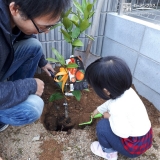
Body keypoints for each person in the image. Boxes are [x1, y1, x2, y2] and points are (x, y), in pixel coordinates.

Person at [0, 0, 70, 132]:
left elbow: (26, 37)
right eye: (43, 27)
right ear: (15, 9)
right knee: (33, 107)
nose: (46, 32)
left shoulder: (10, 15)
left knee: (34, 46)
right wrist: (28, 86)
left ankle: (12, 97)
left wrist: (42, 62)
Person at [85, 56, 152, 160]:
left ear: (106, 91)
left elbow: (123, 132)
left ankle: (109, 153)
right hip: (146, 139)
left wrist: (108, 117)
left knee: (102, 127)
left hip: (134, 147)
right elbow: (110, 102)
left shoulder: (116, 108)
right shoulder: (128, 91)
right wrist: (98, 110)